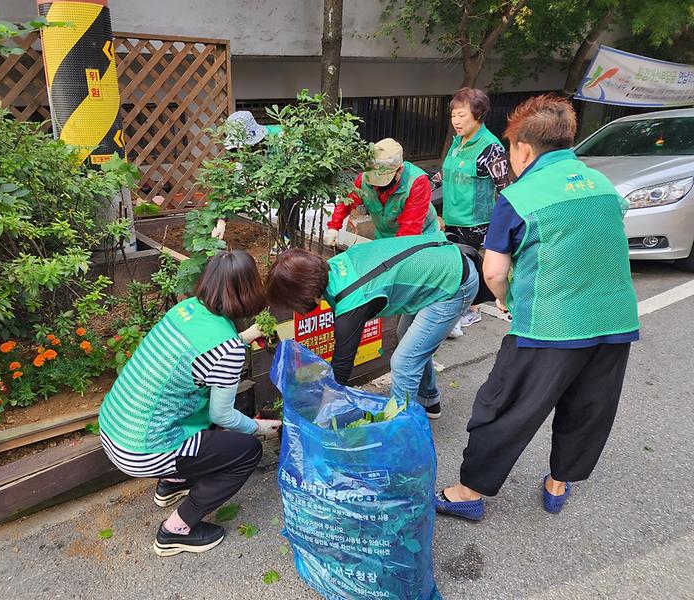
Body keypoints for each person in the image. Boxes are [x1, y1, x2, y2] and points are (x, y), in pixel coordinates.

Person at [435, 94, 639, 521]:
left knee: (505, 405)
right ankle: (558, 482)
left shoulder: (521, 196)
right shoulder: (603, 186)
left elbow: (493, 272)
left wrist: (508, 300)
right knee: (588, 405)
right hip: (615, 321)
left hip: (549, 324)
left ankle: (468, 491)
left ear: (523, 148)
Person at [98, 250, 282, 556]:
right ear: (251, 289)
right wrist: (261, 427)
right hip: (141, 449)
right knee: (246, 452)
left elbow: (207, 353)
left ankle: (173, 481)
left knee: (205, 423)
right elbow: (222, 415)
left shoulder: (186, 310)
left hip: (115, 427)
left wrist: (247, 336)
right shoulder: (228, 351)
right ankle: (176, 530)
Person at [266, 235, 478, 419]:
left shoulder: (353, 303)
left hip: (454, 282)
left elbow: (341, 369)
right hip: (441, 262)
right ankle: (429, 400)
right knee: (407, 340)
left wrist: (321, 413)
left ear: (306, 292)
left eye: (292, 303)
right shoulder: (334, 266)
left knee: (404, 364)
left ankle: (400, 434)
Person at [439, 88, 509, 334]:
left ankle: (471, 311)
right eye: (453, 116)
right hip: (452, 216)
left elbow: (504, 189)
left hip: (476, 221)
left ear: (478, 115)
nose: (456, 121)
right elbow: (445, 172)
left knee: (466, 267)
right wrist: (422, 187)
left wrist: (504, 227)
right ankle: (458, 311)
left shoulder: (491, 148)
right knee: (455, 266)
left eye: (461, 115)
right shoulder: (458, 142)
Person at [323, 138, 443, 246]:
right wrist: (334, 227)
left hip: (419, 239)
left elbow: (409, 231)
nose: (376, 187)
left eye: (381, 181)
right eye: (373, 182)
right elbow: (347, 202)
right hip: (384, 237)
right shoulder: (364, 179)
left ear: (399, 170)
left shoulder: (417, 183)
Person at [211, 111, 286, 241]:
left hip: (293, 175)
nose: (240, 152)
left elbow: (292, 180)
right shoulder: (243, 155)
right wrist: (222, 219)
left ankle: (288, 236)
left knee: (287, 199)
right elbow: (238, 184)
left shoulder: (280, 139)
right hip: (275, 176)